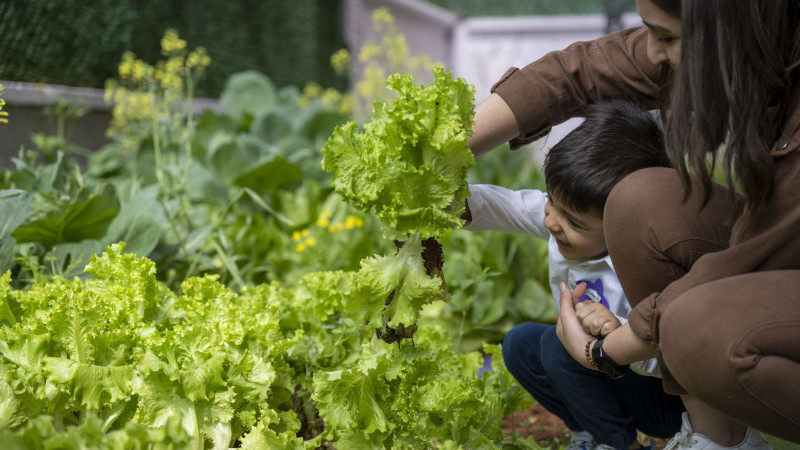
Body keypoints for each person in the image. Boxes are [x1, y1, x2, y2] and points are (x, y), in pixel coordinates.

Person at [467, 0, 800, 448]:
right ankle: (712, 437)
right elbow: (580, 72)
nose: (653, 52)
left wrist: (607, 349)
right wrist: (449, 165)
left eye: (665, 37)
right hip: (649, 352)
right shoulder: (751, 38)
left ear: (728, 29)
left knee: (670, 328)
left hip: (655, 377)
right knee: (530, 343)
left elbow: (748, 259)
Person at [465, 99, 682, 450]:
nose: (551, 222)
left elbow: (676, 357)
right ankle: (591, 431)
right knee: (520, 343)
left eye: (572, 221)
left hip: (660, 396)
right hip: (601, 371)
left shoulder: (644, 264)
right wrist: (456, 203)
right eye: (551, 202)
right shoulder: (565, 219)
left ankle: (622, 444)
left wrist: (619, 334)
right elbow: (510, 207)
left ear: (623, 227)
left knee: (556, 343)